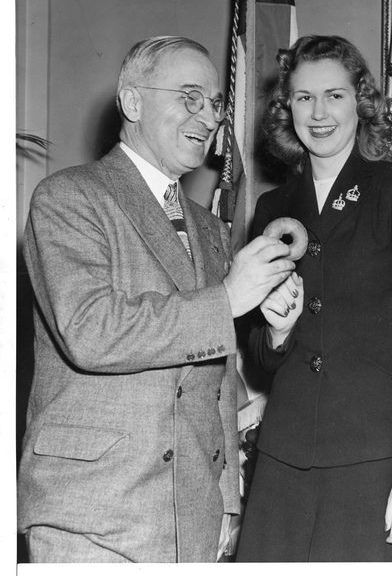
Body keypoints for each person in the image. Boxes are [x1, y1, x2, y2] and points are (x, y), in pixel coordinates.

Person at [18, 36, 296, 563]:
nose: (210, 117)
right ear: (132, 102)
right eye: (190, 96)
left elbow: (215, 377)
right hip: (90, 515)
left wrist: (225, 500)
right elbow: (90, 331)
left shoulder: (208, 228)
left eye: (215, 104)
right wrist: (226, 301)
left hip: (189, 517)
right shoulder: (67, 197)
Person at [236, 35, 392, 562]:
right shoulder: (272, 208)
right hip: (284, 459)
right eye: (304, 97)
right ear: (288, 109)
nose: (319, 112)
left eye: (334, 95)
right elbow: (258, 358)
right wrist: (279, 332)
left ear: (362, 102)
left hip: (373, 462)